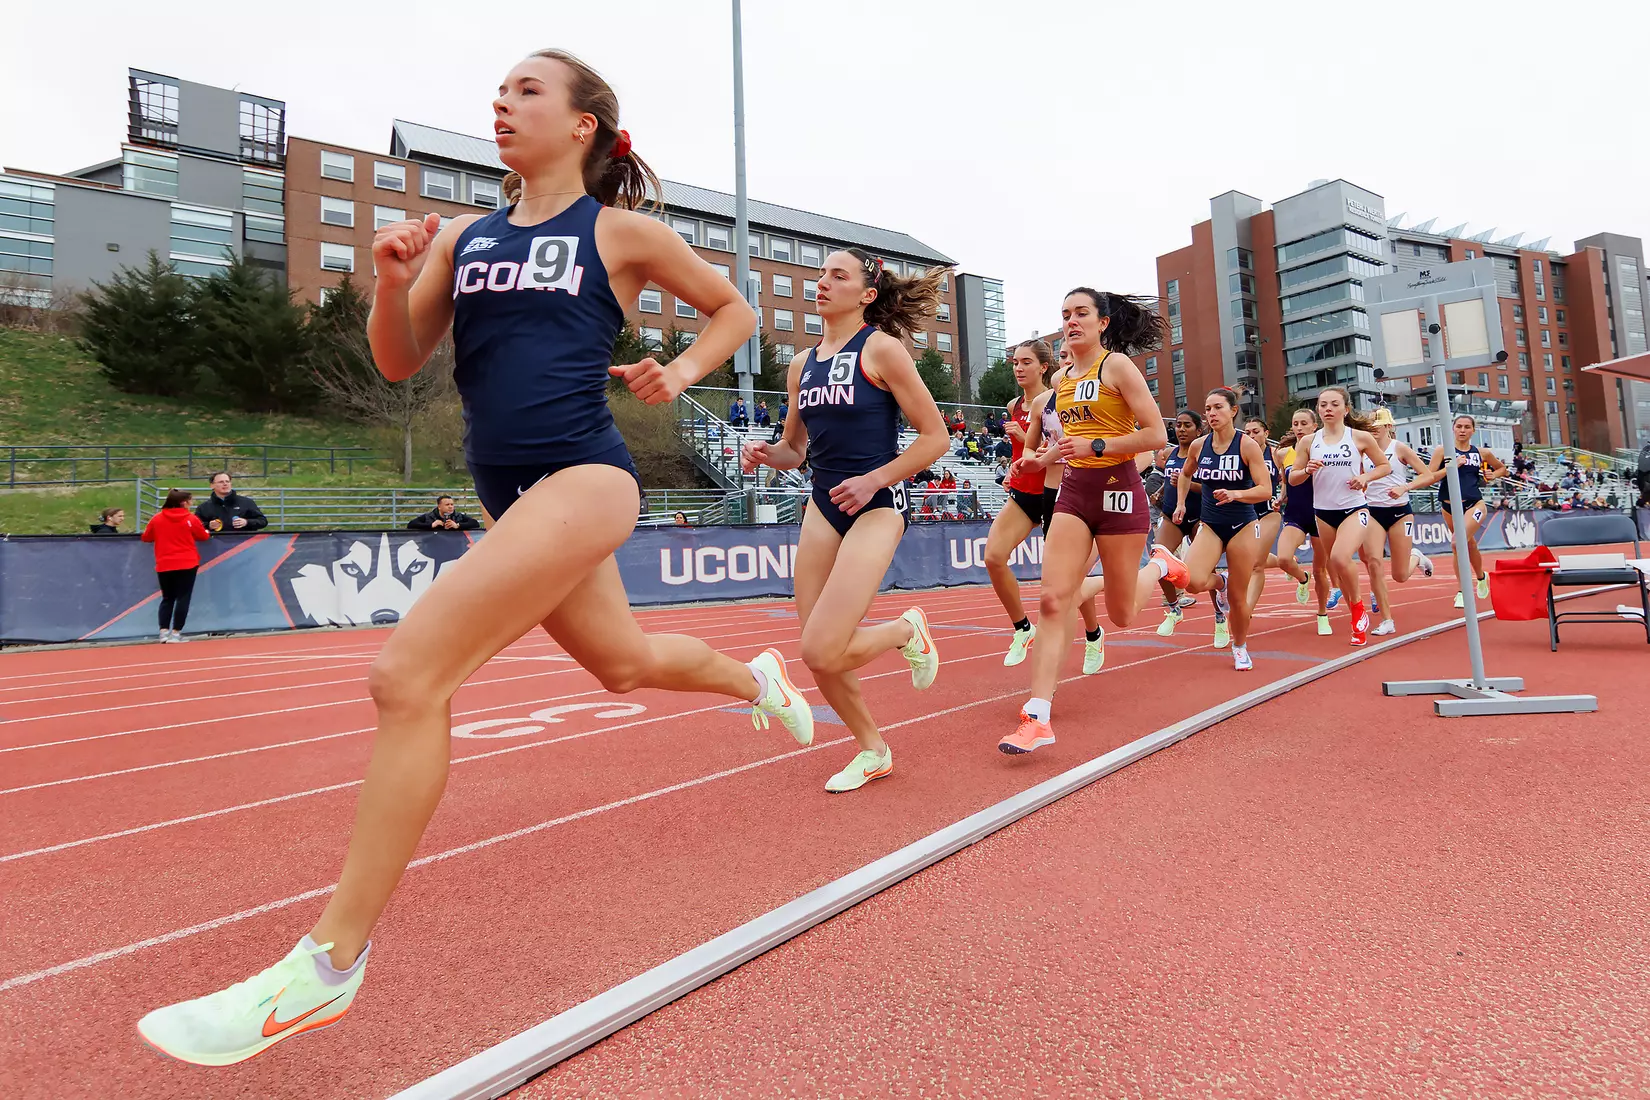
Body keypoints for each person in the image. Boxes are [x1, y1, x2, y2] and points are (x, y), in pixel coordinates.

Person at [137, 50, 817, 1066]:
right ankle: (751, 673)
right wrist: (390, 280)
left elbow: (738, 308)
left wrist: (678, 368)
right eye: (498, 93)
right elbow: (400, 359)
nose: (502, 103)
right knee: (620, 662)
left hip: (588, 477)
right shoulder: (465, 235)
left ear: (584, 124)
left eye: (527, 91)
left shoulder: (618, 231)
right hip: (510, 496)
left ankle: (326, 964)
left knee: (407, 673)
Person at [742, 247, 949, 792]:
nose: (822, 282)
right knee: (820, 653)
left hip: (877, 505)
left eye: (838, 275)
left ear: (867, 294)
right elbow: (795, 449)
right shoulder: (800, 364)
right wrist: (766, 453)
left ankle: (908, 630)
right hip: (823, 503)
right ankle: (872, 749)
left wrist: (877, 478)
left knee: (819, 646)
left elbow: (936, 438)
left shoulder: (882, 350)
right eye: (821, 274)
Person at [1002, 289, 1172, 754]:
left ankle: (1159, 566)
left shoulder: (1117, 367)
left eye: (1081, 314)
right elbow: (1064, 440)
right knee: (1053, 599)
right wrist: (1036, 462)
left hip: (1119, 491)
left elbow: (1157, 434)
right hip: (1075, 493)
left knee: (1123, 614)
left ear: (1102, 323)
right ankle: (1037, 715)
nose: (1071, 321)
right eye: (1064, 315)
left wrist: (1099, 446)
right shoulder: (1059, 378)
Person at [984, 340, 1103, 674]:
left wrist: (1025, 441)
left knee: (1067, 582)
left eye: (1026, 362)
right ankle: (1023, 629)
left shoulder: (1076, 398)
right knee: (994, 556)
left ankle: (1093, 634)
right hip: (1026, 491)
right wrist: (1015, 465)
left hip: (1061, 490)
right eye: (1015, 362)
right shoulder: (1017, 405)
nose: (1019, 368)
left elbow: (1048, 446)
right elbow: (1028, 450)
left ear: (1043, 367)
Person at [1173, 389, 1272, 670]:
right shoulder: (1198, 446)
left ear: (1233, 411)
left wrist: (1236, 494)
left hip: (1242, 524)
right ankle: (1220, 583)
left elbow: (1265, 490)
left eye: (1218, 407)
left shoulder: (1247, 445)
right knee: (1189, 581)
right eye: (1207, 408)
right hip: (1211, 524)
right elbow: (1185, 473)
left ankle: (1239, 646)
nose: (1212, 413)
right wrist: (1181, 503)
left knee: (1239, 598)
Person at [1288, 387, 1389, 646]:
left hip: (1355, 508)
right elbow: (1292, 477)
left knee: (1340, 557)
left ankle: (1357, 609)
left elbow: (1384, 466)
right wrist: (1307, 470)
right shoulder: (1309, 442)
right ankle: (1357, 617)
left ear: (1345, 409)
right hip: (1323, 511)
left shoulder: (1360, 437)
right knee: (1338, 570)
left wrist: (1365, 477)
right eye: (1323, 405)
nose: (1328, 409)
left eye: (1334, 404)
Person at [1413, 413, 1507, 608]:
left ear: (1473, 430)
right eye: (1459, 426)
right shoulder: (1442, 451)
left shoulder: (1482, 453)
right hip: (1449, 506)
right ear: (1453, 429)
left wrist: (1492, 474)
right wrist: (1451, 466)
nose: (1462, 430)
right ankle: (1482, 577)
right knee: (1468, 544)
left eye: (1467, 427)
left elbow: (1502, 469)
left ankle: (1462, 591)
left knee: (1457, 543)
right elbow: (1430, 477)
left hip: (1474, 504)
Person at [1358, 407, 1435, 636]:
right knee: (1373, 562)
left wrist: (1405, 486)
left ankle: (1416, 557)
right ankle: (1386, 620)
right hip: (1372, 511)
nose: (1372, 429)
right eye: (1369, 426)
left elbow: (1428, 475)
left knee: (1400, 576)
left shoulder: (1399, 448)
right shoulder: (1363, 451)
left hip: (1400, 512)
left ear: (1388, 427)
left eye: (1376, 425)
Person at [1240, 417, 1310, 625]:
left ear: (1266, 433)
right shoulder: (1240, 453)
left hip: (1268, 513)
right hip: (1244, 513)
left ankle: (1247, 611)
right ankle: (1299, 572)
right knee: (1253, 558)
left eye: (1255, 432)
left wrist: (1282, 496)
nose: (1251, 436)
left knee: (1255, 564)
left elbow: (1285, 479)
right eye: (1247, 433)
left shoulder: (1275, 454)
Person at [1275, 409, 1334, 635]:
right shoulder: (1282, 454)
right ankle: (1302, 578)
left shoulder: (1325, 450)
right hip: (1295, 514)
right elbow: (1285, 481)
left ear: (1314, 427)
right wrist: (1281, 497)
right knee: (1282, 558)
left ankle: (1322, 615)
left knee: (1321, 570)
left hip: (1321, 515)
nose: (1298, 428)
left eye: (1303, 424)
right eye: (1295, 423)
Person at [1151, 410, 1204, 637]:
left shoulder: (1204, 455)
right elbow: (1170, 478)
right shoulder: (1171, 453)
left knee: (1203, 573)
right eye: (1178, 425)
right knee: (1159, 559)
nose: (1181, 429)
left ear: (1199, 430)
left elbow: (1209, 488)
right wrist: (1162, 491)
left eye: (1187, 425)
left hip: (1198, 516)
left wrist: (1188, 484)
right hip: (1171, 516)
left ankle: (1221, 617)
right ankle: (1174, 609)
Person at [140, 488, 210, 643]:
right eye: (190, 500)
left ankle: (163, 632)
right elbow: (203, 536)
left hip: (165, 563)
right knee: (183, 598)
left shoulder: (157, 518)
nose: (192, 503)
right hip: (187, 562)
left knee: (167, 598)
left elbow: (146, 537)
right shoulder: (190, 519)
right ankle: (176, 633)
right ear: (183, 502)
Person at [195, 472, 268, 533]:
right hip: (216, 545)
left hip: (243, 544)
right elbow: (194, 527)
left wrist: (246, 522)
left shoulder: (246, 502)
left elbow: (263, 521)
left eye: (227, 481)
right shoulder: (203, 507)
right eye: (221, 482)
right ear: (212, 485)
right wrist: (209, 526)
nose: (225, 484)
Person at [405, 495, 481, 531]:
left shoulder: (458, 516)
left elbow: (475, 523)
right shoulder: (429, 516)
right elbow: (411, 524)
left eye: (452, 504)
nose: (450, 507)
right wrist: (431, 525)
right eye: (447, 505)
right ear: (439, 506)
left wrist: (458, 525)